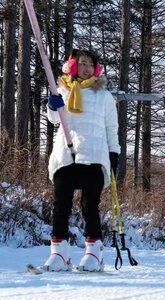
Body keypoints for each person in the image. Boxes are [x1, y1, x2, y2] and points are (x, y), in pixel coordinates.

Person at [43, 49, 119, 272]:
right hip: (66, 155)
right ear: (73, 66)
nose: (85, 68)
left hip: (94, 155)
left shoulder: (104, 96)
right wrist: (53, 104)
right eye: (81, 63)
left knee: (89, 206)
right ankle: (59, 253)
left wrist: (113, 155)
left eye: (89, 64)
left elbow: (111, 129)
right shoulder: (64, 91)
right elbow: (54, 118)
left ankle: (94, 253)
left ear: (95, 69)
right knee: (61, 205)